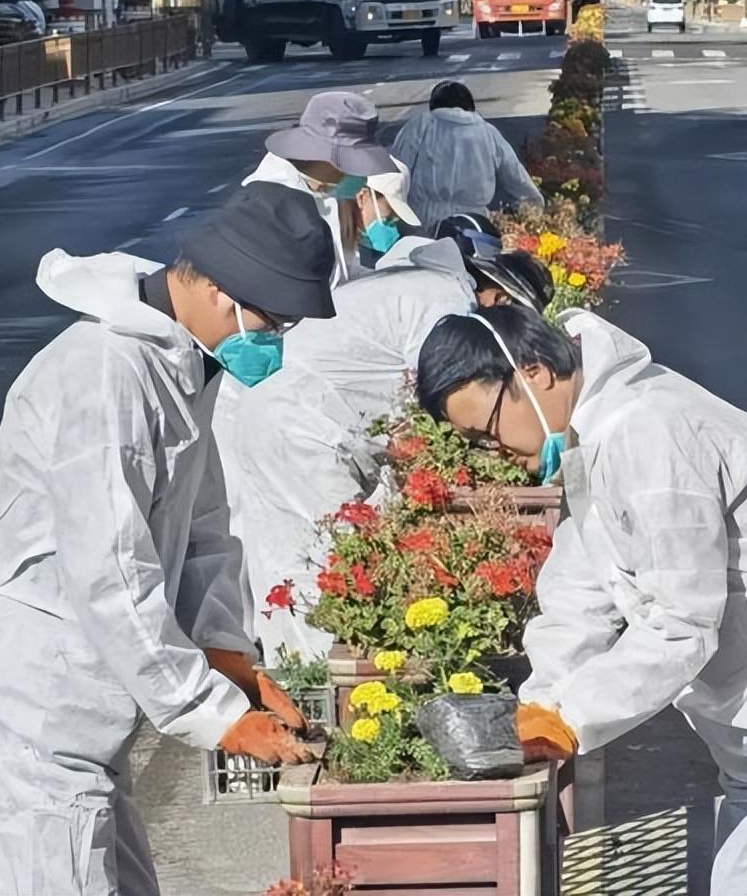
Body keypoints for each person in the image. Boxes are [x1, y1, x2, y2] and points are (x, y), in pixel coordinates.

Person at [416, 306, 747, 896]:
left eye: (487, 431)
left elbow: (680, 622)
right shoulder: (599, 434)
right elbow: (582, 588)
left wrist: (570, 718)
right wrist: (541, 702)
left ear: (532, 374)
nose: (492, 451)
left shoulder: (648, 431)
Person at [0, 184, 336, 896]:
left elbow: (204, 526)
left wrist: (227, 655)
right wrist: (213, 715)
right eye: (271, 321)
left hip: (82, 710)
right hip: (30, 701)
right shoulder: (106, 375)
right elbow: (110, 571)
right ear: (215, 288)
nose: (273, 342)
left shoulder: (181, 364)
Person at [212, 217, 554, 657]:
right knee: (329, 564)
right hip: (302, 429)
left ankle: (291, 679)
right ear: (500, 297)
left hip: (287, 417)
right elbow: (436, 404)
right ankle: (313, 685)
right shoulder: (449, 305)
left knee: (287, 561)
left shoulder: (431, 287)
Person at [242, 90, 396, 286]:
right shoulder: (272, 203)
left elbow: (343, 270)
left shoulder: (328, 190)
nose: (360, 175)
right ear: (328, 159)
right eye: (354, 163)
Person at [390, 80, 544, 226]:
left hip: (422, 223)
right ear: (470, 107)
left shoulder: (420, 125)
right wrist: (527, 211)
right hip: (473, 223)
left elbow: (394, 173)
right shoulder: (488, 133)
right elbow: (519, 180)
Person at [352, 156, 422, 270]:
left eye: (395, 221)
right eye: (387, 219)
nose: (393, 230)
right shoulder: (331, 245)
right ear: (362, 198)